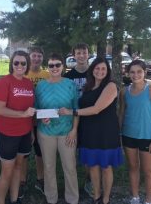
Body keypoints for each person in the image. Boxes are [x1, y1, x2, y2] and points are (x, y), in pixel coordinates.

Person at [59, 57, 123, 204]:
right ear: (92, 69)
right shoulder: (88, 86)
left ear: (107, 72)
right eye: (97, 68)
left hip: (105, 132)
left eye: (103, 69)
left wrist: (71, 112)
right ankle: (96, 196)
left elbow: (97, 109)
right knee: (92, 166)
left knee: (106, 167)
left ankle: (105, 199)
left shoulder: (111, 86)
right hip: (88, 131)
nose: (100, 71)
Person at [36, 53, 79, 204]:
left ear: (63, 66)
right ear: (47, 67)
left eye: (57, 65)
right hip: (46, 132)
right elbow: (36, 109)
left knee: (70, 167)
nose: (54, 68)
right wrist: (42, 117)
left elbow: (76, 109)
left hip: (67, 132)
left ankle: (72, 199)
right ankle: (51, 198)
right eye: (51, 65)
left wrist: (74, 130)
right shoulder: (41, 85)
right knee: (48, 167)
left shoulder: (70, 84)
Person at [0, 50, 36, 204]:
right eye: (16, 62)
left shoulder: (28, 83)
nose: (20, 65)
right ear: (12, 64)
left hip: (25, 133)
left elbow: (30, 110)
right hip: (8, 133)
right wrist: (22, 115)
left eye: (23, 63)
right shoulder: (5, 82)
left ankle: (14, 199)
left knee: (18, 167)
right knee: (7, 171)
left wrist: (31, 130)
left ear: (27, 65)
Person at [119, 60, 151, 204]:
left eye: (139, 71)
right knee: (133, 167)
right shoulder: (124, 91)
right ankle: (135, 197)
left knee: (148, 171)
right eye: (132, 72)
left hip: (147, 137)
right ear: (128, 73)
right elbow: (122, 114)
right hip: (128, 135)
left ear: (144, 72)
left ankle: (149, 201)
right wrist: (118, 134)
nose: (135, 74)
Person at [19, 46, 49, 198]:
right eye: (34, 56)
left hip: (41, 120)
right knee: (23, 153)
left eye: (39, 56)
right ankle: (22, 181)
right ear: (29, 58)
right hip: (24, 119)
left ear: (42, 58)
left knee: (40, 152)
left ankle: (40, 179)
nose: (36, 58)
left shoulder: (47, 74)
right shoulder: (22, 74)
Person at [63, 43, 93, 197]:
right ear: (73, 55)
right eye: (78, 53)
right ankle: (72, 184)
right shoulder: (68, 77)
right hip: (72, 117)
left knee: (88, 151)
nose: (81, 55)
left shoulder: (95, 74)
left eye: (84, 52)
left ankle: (89, 182)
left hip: (90, 117)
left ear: (88, 54)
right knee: (71, 151)